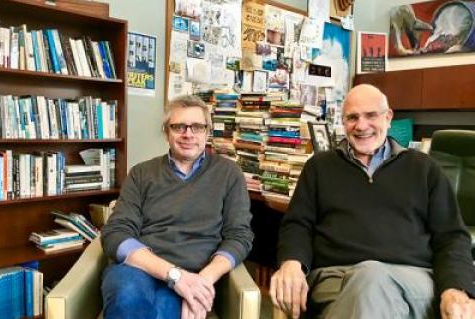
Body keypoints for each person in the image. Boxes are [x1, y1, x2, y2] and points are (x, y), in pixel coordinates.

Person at [270, 84, 475, 319]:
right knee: (370, 278)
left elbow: (451, 237)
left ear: (388, 118)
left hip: (413, 280)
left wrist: (455, 288)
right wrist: (292, 263)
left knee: (372, 278)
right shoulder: (319, 167)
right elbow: (297, 225)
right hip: (336, 279)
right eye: (352, 117)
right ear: (343, 122)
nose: (361, 125)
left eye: (371, 115)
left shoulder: (424, 169)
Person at [101, 95, 253, 319]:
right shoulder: (141, 173)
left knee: (163, 313)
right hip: (139, 270)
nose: (188, 134)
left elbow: (239, 236)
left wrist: (203, 280)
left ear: (207, 132)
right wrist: (174, 275)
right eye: (178, 126)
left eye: (197, 127)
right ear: (166, 132)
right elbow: (115, 233)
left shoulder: (229, 174)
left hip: (195, 273)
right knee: (127, 299)